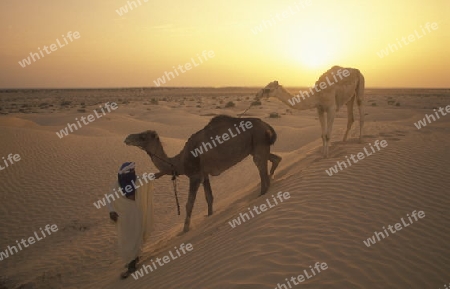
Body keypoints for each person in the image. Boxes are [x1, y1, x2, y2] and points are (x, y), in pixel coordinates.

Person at [107, 162, 154, 279]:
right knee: (127, 238)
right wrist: (111, 211)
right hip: (124, 218)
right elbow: (109, 199)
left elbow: (150, 177)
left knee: (136, 236)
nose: (133, 172)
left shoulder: (137, 180)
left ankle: (132, 265)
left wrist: (165, 171)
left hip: (136, 215)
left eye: (133, 170)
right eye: (131, 171)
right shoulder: (116, 186)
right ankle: (132, 259)